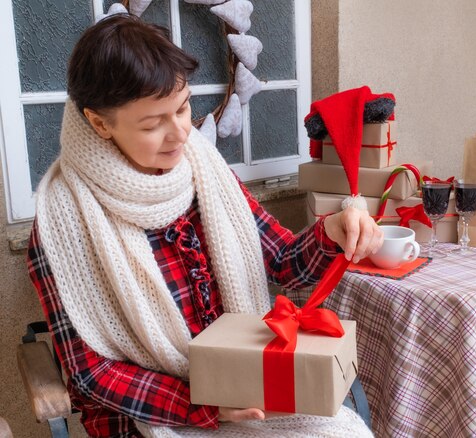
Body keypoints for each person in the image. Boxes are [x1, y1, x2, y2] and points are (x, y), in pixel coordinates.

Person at [27, 14, 382, 438]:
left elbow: (285, 262)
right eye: (152, 123)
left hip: (245, 384)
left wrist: (334, 231)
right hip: (149, 413)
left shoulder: (202, 167)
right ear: (101, 123)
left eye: (182, 107)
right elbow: (91, 373)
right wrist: (201, 403)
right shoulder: (64, 221)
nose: (180, 132)